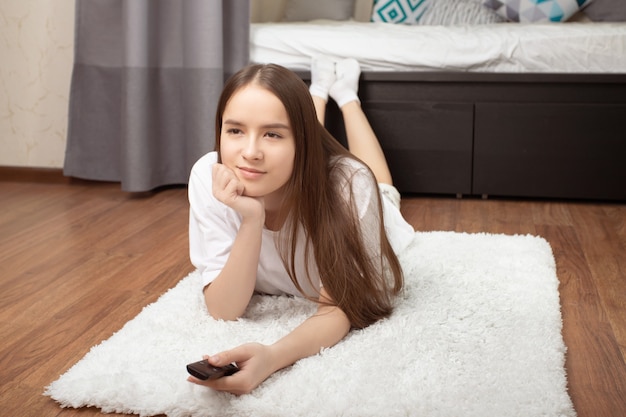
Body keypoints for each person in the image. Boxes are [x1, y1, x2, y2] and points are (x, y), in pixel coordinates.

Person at [186, 58, 414, 395]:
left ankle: (347, 97)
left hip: (361, 196)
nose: (249, 153)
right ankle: (317, 93)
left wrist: (272, 357)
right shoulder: (211, 176)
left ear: (301, 142)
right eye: (235, 130)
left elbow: (338, 308)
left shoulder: (350, 187)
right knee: (290, 152)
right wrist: (251, 218)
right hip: (305, 170)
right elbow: (223, 309)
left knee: (383, 187)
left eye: (272, 134)